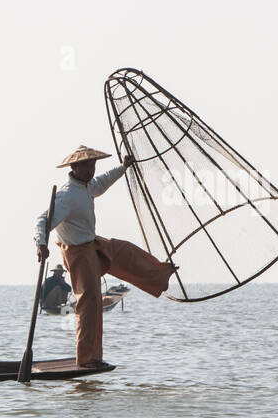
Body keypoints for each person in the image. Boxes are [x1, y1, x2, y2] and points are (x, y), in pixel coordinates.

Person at [34, 145, 176, 367]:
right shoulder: (66, 196)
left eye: (93, 165)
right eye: (86, 166)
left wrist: (124, 167)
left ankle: (160, 275)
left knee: (125, 251)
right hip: (77, 253)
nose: (91, 170)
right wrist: (41, 244)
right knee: (90, 302)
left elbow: (103, 181)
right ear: (75, 167)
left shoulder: (87, 186)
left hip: (92, 243)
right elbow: (42, 220)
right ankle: (87, 358)